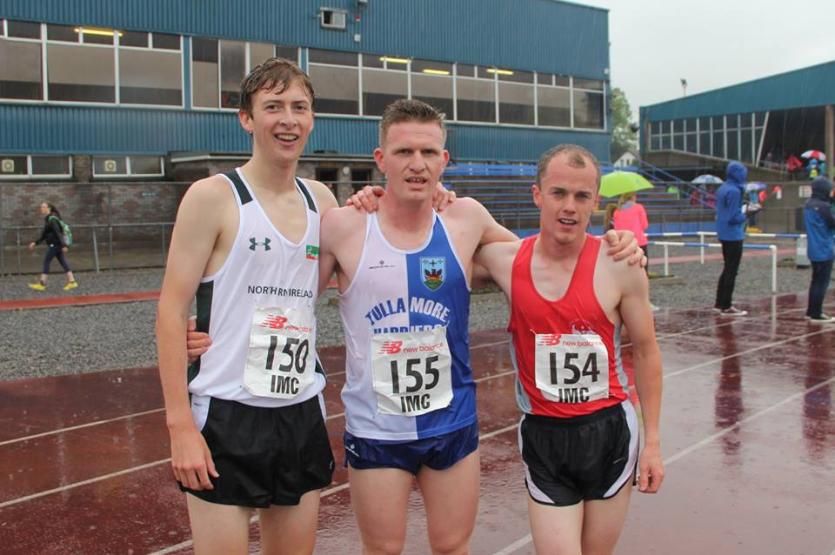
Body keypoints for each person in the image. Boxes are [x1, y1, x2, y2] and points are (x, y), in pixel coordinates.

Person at [316, 100, 642, 554]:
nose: (417, 164)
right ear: (380, 159)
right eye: (405, 152)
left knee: (453, 546)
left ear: (444, 161)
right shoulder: (342, 226)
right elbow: (290, 298)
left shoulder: (465, 218)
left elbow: (544, 260)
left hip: (452, 421)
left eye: (429, 153)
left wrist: (613, 244)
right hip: (377, 428)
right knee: (383, 550)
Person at [156, 57, 341, 554]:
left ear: (312, 119)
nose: (288, 119)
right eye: (273, 106)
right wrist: (179, 428)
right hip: (225, 413)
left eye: (299, 107)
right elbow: (171, 312)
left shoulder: (323, 202)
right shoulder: (212, 197)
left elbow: (364, 269)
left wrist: (434, 199)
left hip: (300, 411)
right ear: (246, 117)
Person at [473, 144, 663, 554]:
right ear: (537, 194)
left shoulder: (620, 262)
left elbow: (646, 351)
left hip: (609, 433)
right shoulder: (504, 261)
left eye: (581, 196)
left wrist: (653, 443)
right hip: (545, 435)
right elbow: (436, 246)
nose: (570, 207)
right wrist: (437, 199)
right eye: (558, 193)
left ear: (596, 202)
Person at [714, 161, 754, 316]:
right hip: (733, 234)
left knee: (726, 268)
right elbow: (733, 217)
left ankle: (720, 302)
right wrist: (747, 214)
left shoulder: (723, 188)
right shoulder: (735, 191)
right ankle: (726, 305)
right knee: (732, 270)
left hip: (723, 233)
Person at [802, 177, 835, 322]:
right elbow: (832, 223)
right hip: (824, 248)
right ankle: (817, 313)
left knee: (815, 281)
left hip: (813, 248)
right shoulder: (824, 207)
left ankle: (811, 310)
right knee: (822, 282)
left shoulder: (809, 204)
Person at [27, 202, 77, 291]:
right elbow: (44, 235)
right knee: (62, 261)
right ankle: (72, 282)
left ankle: (42, 284)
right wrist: (35, 243)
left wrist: (64, 245)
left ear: (48, 208)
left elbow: (58, 233)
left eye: (43, 207)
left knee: (46, 261)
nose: (41, 208)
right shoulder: (49, 219)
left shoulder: (52, 219)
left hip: (55, 244)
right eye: (41, 207)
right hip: (56, 244)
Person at [613, 192, 649, 269]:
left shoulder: (617, 212)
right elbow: (645, 225)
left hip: (624, 245)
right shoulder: (639, 208)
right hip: (640, 242)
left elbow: (617, 230)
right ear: (633, 197)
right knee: (642, 269)